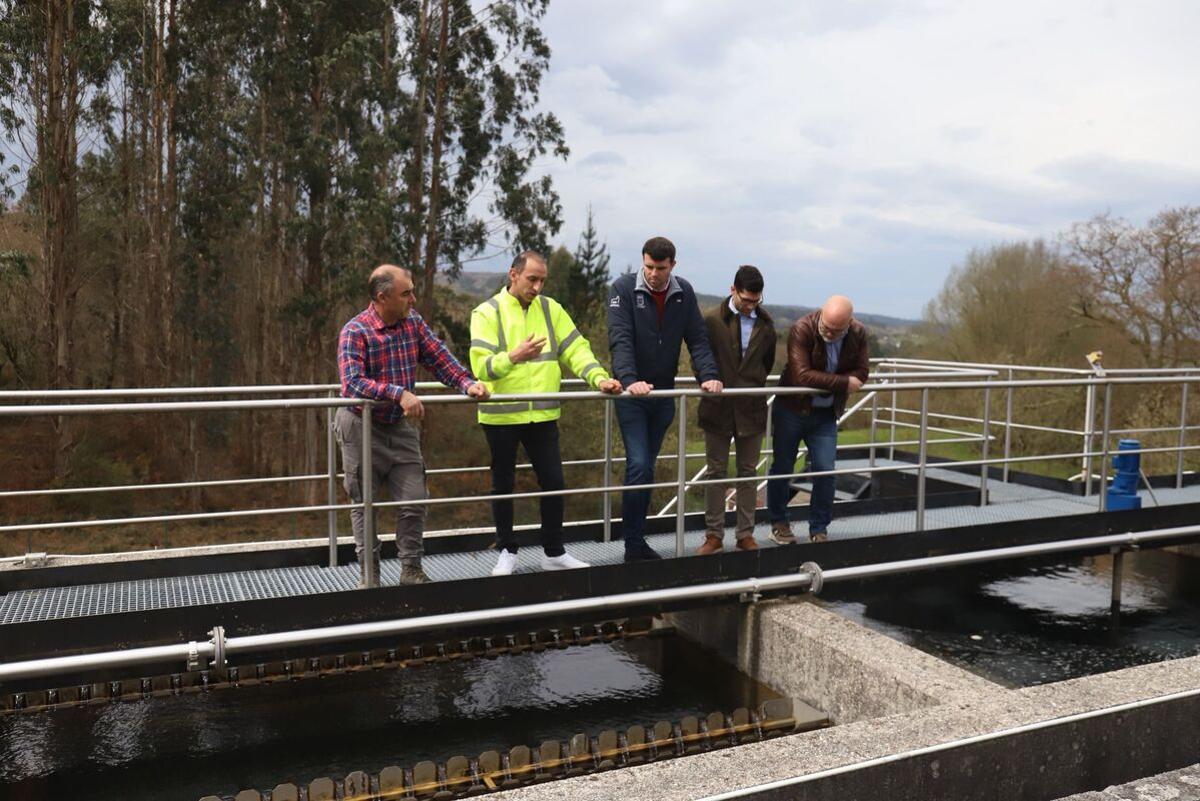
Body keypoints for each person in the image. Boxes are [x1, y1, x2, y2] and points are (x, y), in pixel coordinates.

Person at [470, 251, 623, 576]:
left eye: (542, 280)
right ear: (513, 275)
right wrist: (513, 356)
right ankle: (507, 551)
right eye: (532, 279)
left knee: (554, 481)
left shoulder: (551, 310)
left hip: (543, 415)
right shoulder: (486, 312)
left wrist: (599, 378)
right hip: (501, 416)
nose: (538, 286)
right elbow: (479, 366)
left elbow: (576, 350)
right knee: (503, 484)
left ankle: (554, 552)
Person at [336, 264, 490, 585]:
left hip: (399, 426)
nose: (413, 299)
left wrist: (466, 383)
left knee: (414, 497)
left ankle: (411, 570)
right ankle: (370, 578)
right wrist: (397, 393)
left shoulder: (412, 324)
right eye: (406, 293)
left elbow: (438, 356)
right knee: (365, 503)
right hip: (360, 425)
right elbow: (352, 384)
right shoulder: (356, 331)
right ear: (382, 297)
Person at [607, 236, 723, 561]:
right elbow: (620, 339)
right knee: (639, 465)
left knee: (648, 468)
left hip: (664, 397)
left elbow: (697, 340)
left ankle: (637, 538)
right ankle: (632, 545)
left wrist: (709, 376)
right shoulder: (623, 289)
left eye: (660, 267)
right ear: (642, 261)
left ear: (672, 265)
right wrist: (630, 381)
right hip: (632, 395)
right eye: (648, 266)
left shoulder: (683, 292)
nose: (654, 274)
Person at [767, 295, 869, 544]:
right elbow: (803, 376)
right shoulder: (802, 328)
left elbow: (862, 371)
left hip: (825, 415)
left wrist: (846, 380)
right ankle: (779, 524)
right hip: (791, 410)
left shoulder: (858, 333)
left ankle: (819, 529)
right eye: (826, 326)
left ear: (849, 323)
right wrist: (844, 383)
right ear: (821, 314)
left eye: (836, 330)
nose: (829, 333)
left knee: (825, 471)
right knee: (782, 468)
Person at [695, 265, 777, 554]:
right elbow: (700, 357)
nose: (750, 305)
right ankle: (713, 536)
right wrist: (709, 380)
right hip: (716, 407)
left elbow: (766, 365)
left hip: (751, 409)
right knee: (716, 472)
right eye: (745, 299)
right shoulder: (711, 321)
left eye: (756, 300)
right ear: (733, 290)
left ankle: (745, 535)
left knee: (748, 472)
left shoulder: (767, 326)